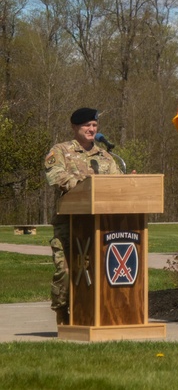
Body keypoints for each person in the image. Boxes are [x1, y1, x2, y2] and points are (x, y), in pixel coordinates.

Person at [44, 107, 121, 324]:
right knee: (65, 270)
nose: (91, 129)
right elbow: (56, 176)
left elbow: (116, 183)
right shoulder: (60, 150)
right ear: (75, 127)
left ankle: (91, 314)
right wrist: (84, 187)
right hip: (68, 222)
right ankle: (62, 312)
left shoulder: (106, 157)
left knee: (95, 270)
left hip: (98, 224)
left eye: (94, 125)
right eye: (87, 125)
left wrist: (126, 182)